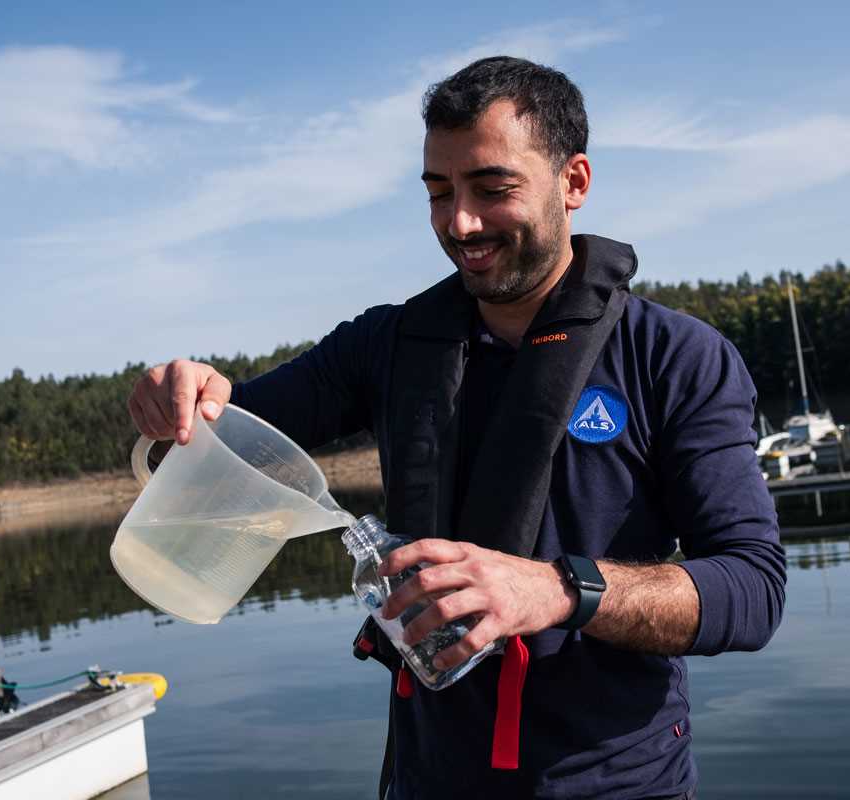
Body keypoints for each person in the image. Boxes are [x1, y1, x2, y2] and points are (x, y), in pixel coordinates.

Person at [128, 56, 784, 800]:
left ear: (574, 183)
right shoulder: (387, 346)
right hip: (428, 777)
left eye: (491, 189)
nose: (459, 223)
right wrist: (180, 402)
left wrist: (557, 590)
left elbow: (753, 587)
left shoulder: (677, 358)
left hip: (617, 784)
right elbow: (225, 431)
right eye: (439, 193)